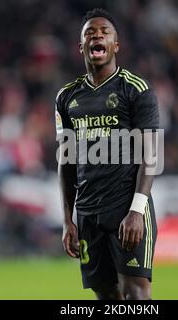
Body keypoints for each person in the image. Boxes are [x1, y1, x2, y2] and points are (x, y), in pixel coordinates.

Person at [55, 8, 160, 300]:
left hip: (126, 208)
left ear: (116, 45)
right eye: (89, 33)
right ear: (81, 47)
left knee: (136, 295)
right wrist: (68, 219)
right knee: (106, 296)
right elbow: (66, 162)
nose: (96, 36)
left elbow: (151, 155)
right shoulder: (66, 97)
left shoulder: (136, 90)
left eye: (104, 32)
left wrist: (137, 211)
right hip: (88, 214)